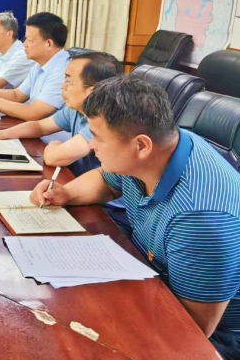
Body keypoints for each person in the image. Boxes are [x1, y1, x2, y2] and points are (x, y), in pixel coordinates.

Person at [30, 75, 240, 357]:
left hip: (210, 334)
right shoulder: (159, 149)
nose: (92, 146)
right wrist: (65, 193)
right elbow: (107, 181)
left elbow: (189, 330)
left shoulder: (200, 219)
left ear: (141, 146)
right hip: (146, 272)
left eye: (98, 138)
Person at [0, 51, 121, 176]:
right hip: (77, 181)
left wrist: (54, 144)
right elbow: (40, 126)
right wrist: (2, 134)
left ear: (93, 90)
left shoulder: (103, 121)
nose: (62, 86)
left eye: (69, 81)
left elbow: (54, 157)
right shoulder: (76, 110)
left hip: (99, 196)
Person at [0, 12, 69, 121]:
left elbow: (34, 113)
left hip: (48, 131)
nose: (24, 44)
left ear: (48, 43)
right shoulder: (39, 65)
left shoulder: (63, 70)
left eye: (29, 40)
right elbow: (17, 95)